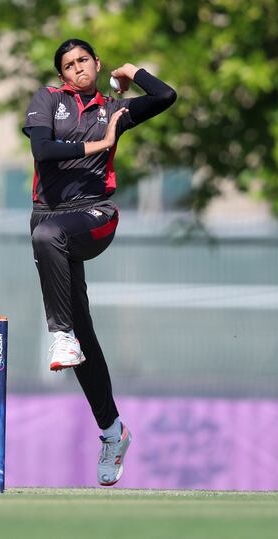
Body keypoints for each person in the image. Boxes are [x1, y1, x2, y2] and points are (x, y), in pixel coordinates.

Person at [22, 38, 176, 486]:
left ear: (96, 63)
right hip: (49, 215)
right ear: (61, 75)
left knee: (48, 238)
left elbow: (165, 96)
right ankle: (113, 432)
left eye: (83, 61)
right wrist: (99, 146)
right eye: (68, 65)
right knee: (83, 335)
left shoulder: (114, 109)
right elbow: (43, 152)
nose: (77, 70)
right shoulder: (47, 101)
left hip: (95, 215)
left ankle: (58, 334)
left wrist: (132, 70)